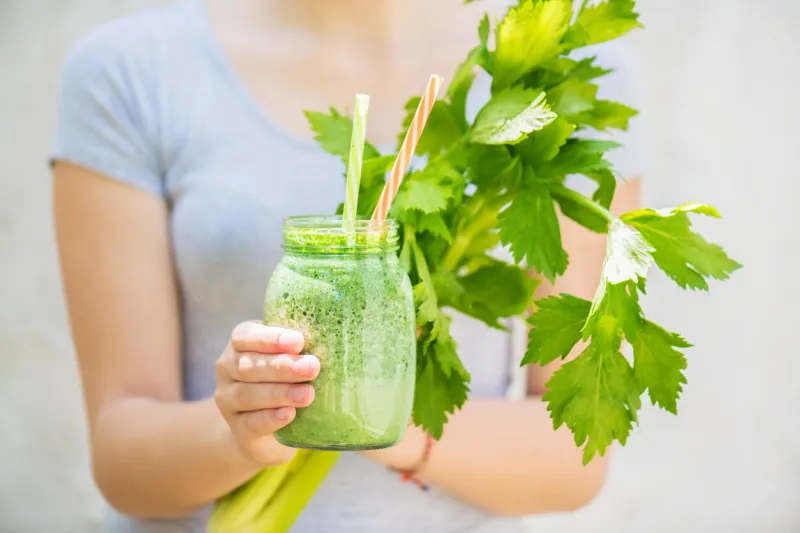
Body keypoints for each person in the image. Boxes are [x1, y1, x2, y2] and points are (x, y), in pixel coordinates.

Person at [50, 0, 645, 531]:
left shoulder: (562, 75)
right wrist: (244, 429)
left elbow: (575, 450)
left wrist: (377, 410)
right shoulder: (129, 71)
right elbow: (121, 456)